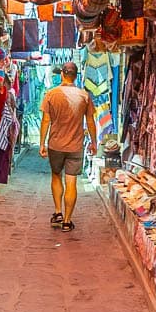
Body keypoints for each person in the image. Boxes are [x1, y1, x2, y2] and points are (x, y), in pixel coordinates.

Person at [39, 61, 97, 232]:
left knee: (56, 176)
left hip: (55, 144)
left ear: (62, 75)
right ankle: (67, 220)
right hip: (75, 146)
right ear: (76, 76)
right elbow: (91, 121)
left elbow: (46, 120)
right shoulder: (84, 96)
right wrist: (94, 143)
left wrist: (42, 143)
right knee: (71, 182)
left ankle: (57, 212)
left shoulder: (51, 94)